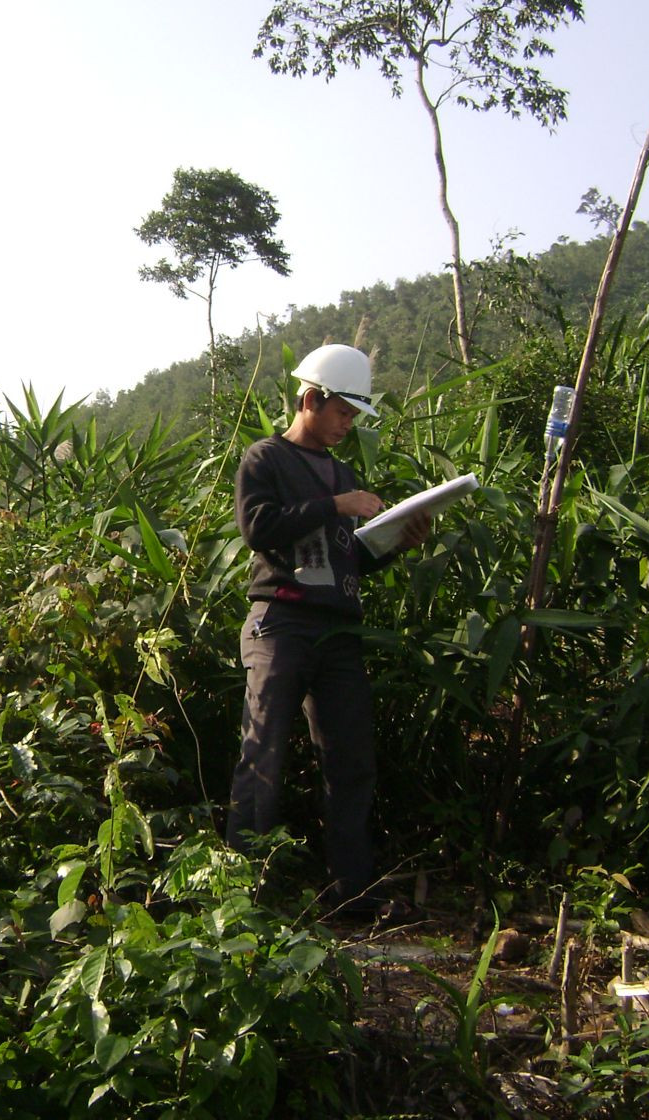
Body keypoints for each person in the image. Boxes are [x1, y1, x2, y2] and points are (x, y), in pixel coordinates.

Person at [225, 343, 430, 918]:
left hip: (337, 631)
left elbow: (347, 560)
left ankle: (352, 894)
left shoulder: (341, 473)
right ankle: (242, 899)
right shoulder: (265, 459)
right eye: (343, 411)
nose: (348, 424)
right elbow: (259, 528)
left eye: (354, 416)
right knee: (262, 752)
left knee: (349, 760)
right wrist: (337, 503)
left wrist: (394, 544)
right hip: (281, 623)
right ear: (312, 399)